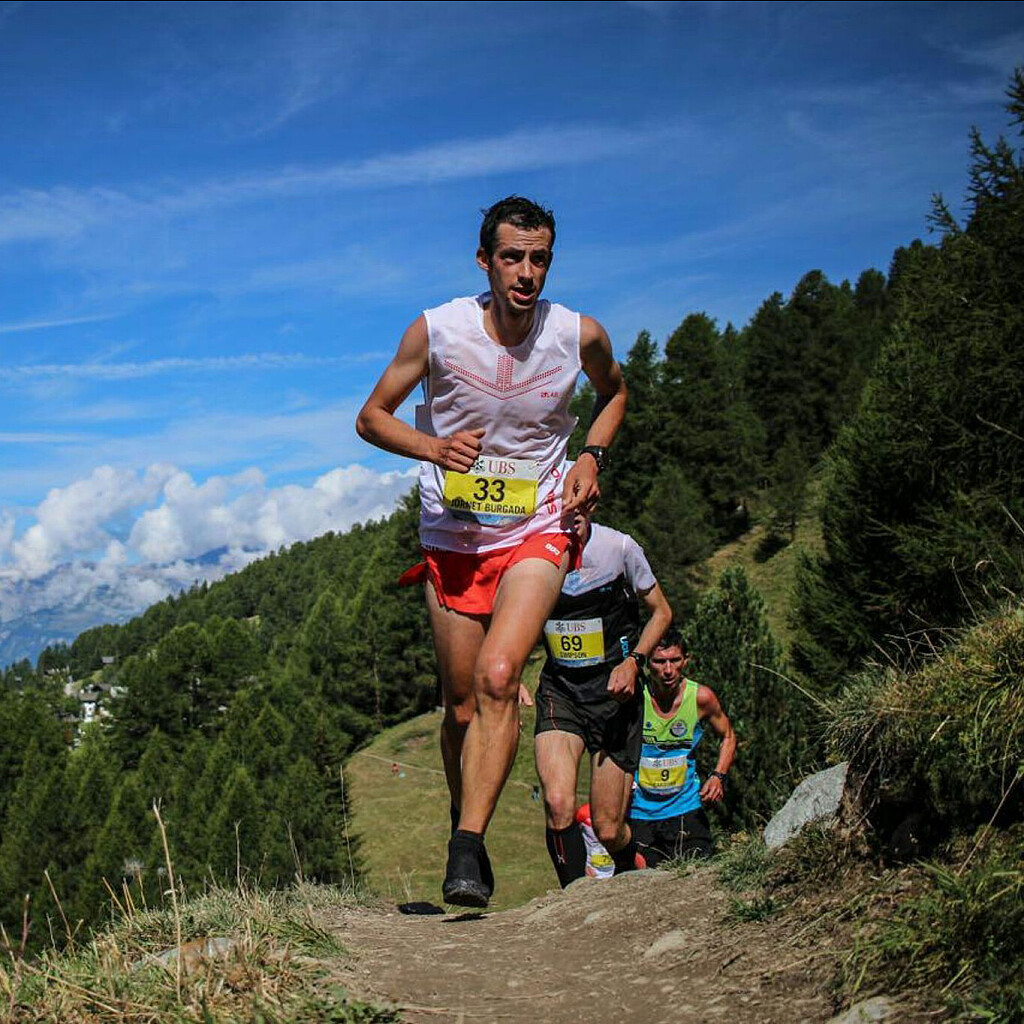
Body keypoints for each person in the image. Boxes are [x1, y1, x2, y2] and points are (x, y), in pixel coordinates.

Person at [356, 196, 627, 907]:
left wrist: (591, 456)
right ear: (485, 261)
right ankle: (464, 811)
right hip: (455, 537)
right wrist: (434, 448)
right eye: (513, 258)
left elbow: (615, 394)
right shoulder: (438, 330)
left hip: (538, 527)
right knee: (460, 706)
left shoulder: (577, 334)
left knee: (500, 677)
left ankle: (468, 847)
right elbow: (371, 418)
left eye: (540, 259)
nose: (526, 273)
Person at [534, 517, 670, 886]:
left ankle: (632, 868)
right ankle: (572, 899)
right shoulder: (532, 550)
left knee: (608, 828)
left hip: (614, 696)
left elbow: (662, 612)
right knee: (558, 802)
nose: (572, 514)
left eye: (580, 505)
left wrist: (635, 662)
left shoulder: (619, 548)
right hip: (561, 691)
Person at [628, 627, 736, 866]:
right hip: (639, 812)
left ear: (686, 660)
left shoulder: (701, 698)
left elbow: (728, 736)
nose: (668, 670)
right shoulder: (634, 697)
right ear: (647, 663)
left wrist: (718, 776)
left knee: (698, 876)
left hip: (686, 808)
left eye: (675, 660)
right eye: (659, 661)